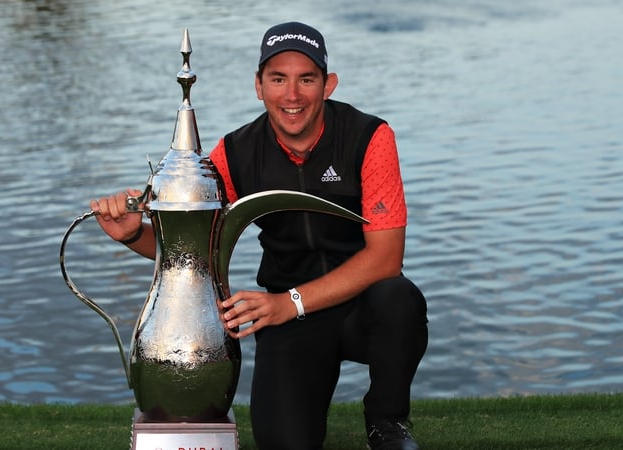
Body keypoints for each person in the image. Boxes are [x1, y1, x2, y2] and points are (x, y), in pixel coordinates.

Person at [91, 21, 428, 450]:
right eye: (278, 79)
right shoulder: (234, 152)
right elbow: (192, 250)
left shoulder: (369, 137)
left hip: (358, 309)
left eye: (306, 79)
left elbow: (386, 259)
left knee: (399, 299)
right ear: (258, 86)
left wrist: (291, 303)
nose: (292, 95)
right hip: (287, 320)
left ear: (328, 85)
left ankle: (387, 424)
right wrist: (131, 234)